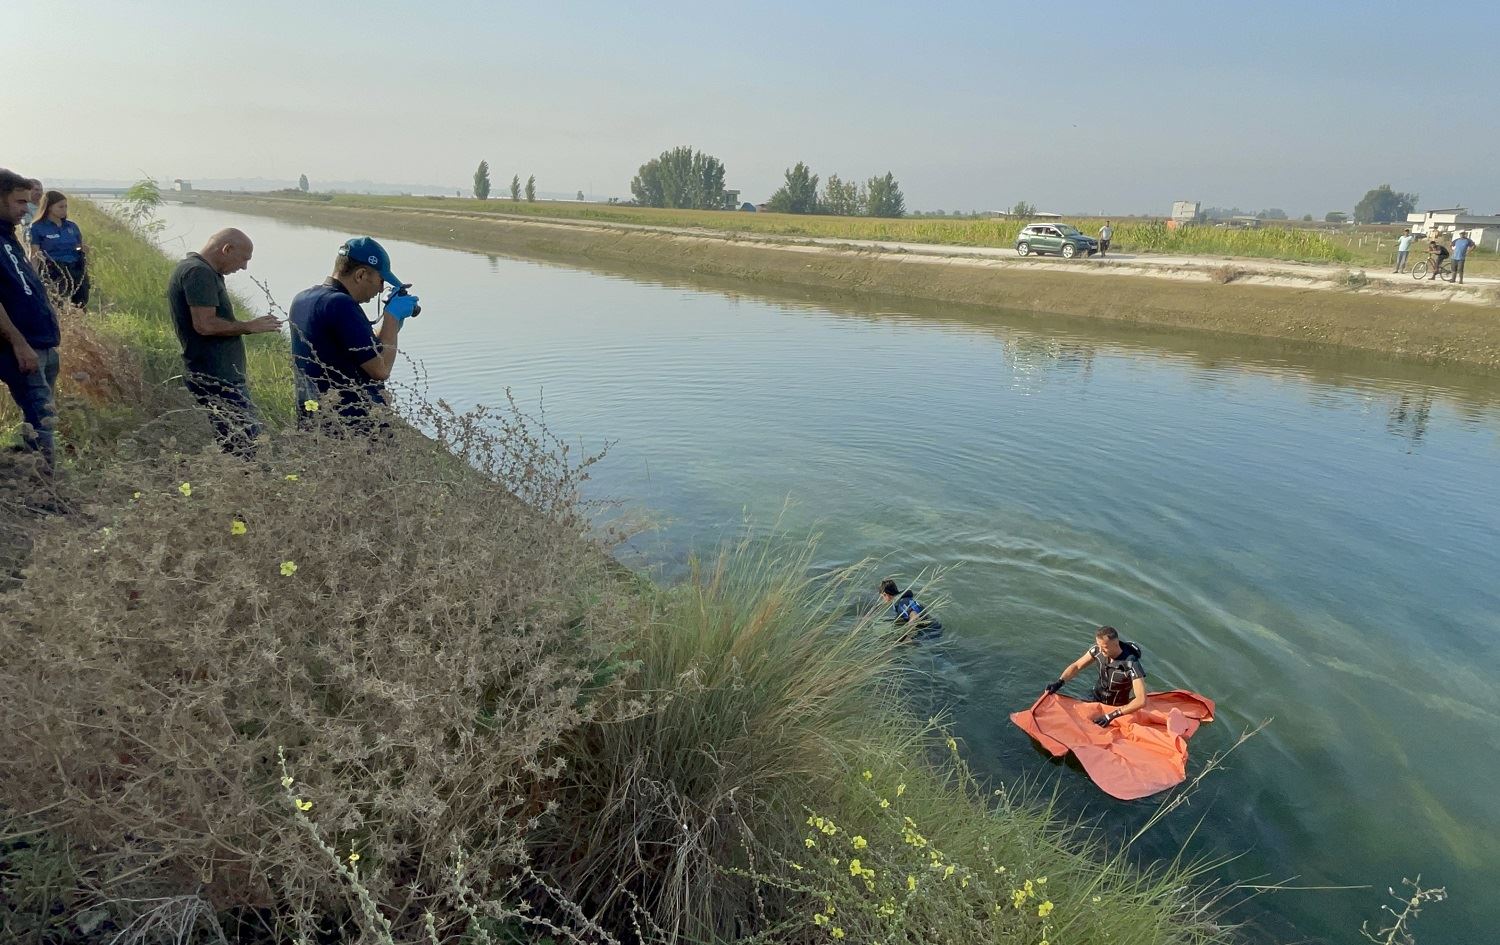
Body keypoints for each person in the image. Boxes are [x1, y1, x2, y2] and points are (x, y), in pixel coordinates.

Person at [166, 228, 281, 455]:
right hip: (216, 377)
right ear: (227, 249)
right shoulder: (198, 272)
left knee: (236, 440)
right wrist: (248, 326)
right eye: (244, 259)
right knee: (245, 446)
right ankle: (244, 485)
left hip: (219, 375)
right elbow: (204, 324)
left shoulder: (202, 270)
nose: (244, 267)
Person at [288, 236, 420, 430]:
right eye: (380, 280)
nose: (381, 289)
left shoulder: (304, 298)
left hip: (315, 417)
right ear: (360, 275)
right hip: (350, 426)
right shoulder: (340, 304)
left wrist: (393, 323)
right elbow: (380, 369)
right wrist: (391, 316)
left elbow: (363, 349)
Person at [0, 169, 62, 466]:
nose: (27, 208)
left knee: (41, 416)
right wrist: (19, 342)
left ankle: (28, 477)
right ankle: (47, 493)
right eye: (19, 201)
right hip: (21, 346)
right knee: (43, 420)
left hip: (41, 342)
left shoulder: (7, 236)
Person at [1042, 625, 1146, 727]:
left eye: (1104, 647)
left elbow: (1141, 700)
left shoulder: (1131, 664)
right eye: (1098, 645)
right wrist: (1059, 682)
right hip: (1094, 697)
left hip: (1115, 708)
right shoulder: (1098, 651)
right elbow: (1077, 666)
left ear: (1116, 643)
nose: (1100, 650)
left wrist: (1110, 716)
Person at [28, 191, 89, 308]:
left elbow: (78, 247)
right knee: (57, 304)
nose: (64, 209)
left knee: (81, 302)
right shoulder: (37, 228)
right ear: (49, 207)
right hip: (54, 270)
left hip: (76, 268)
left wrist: (81, 248)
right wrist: (34, 276)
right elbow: (34, 254)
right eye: (60, 207)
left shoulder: (71, 226)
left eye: (66, 206)